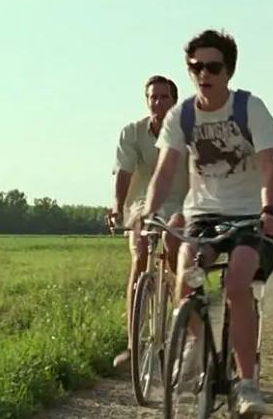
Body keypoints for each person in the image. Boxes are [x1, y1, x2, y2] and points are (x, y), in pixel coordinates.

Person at [142, 30, 273, 415]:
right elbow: (165, 169)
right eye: (195, 68)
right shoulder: (182, 115)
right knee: (185, 270)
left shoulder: (249, 108)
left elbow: (268, 167)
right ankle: (194, 342)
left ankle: (247, 384)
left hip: (249, 216)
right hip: (203, 214)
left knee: (238, 283)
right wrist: (149, 212)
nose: (203, 74)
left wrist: (269, 210)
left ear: (228, 70)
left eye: (212, 67)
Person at [110, 75, 188, 367]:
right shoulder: (132, 132)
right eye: (152, 97)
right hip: (143, 204)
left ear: (174, 101)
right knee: (140, 254)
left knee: (174, 247)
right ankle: (133, 346)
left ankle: (181, 320)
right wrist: (117, 208)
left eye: (163, 97)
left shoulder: (187, 132)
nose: (157, 103)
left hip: (179, 202)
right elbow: (124, 173)